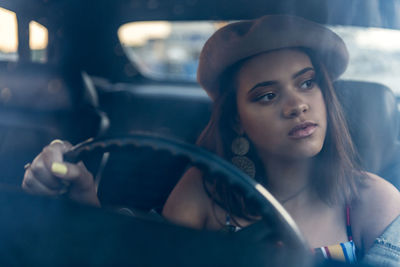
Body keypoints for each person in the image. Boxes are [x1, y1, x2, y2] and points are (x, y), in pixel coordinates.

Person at [22, 15, 400, 264]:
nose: (296, 105)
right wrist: (81, 197)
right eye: (267, 95)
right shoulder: (206, 193)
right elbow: (139, 258)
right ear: (237, 121)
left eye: (306, 83)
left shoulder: (373, 203)